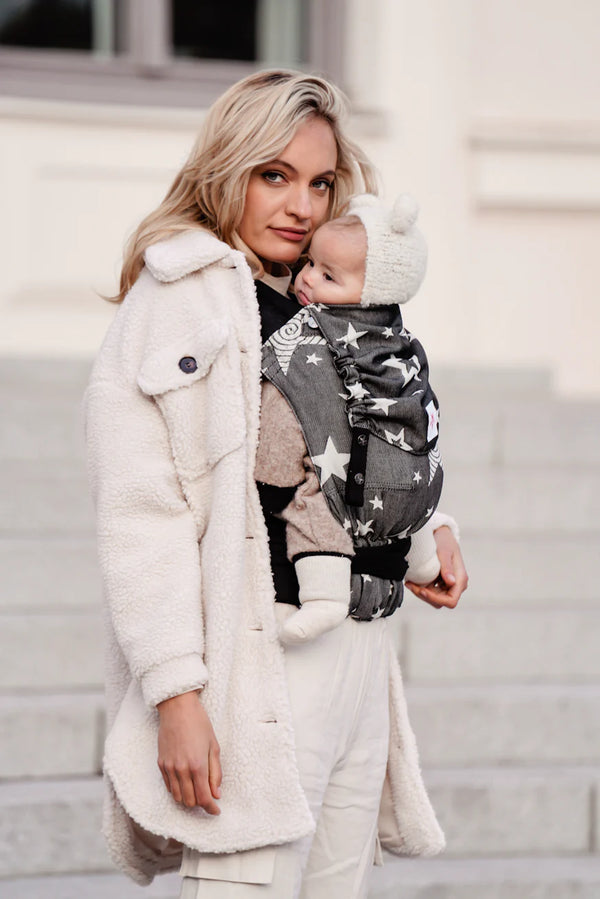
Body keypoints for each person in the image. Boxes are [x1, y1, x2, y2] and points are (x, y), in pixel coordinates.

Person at [84, 69, 468, 899]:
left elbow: (371, 433)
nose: (301, 204)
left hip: (356, 645)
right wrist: (176, 695)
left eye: (321, 182)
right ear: (230, 170)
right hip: (260, 654)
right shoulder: (176, 302)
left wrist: (434, 526)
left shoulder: (321, 299)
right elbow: (141, 516)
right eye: (275, 175)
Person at [256, 192, 449, 645]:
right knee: (408, 497)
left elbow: (285, 409)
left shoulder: (304, 336)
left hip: (345, 491)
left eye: (328, 276)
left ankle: (324, 598)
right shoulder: (399, 341)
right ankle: (424, 561)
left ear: (372, 290)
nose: (306, 280)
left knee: (314, 504)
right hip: (412, 488)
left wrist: (273, 473)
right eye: (311, 265)